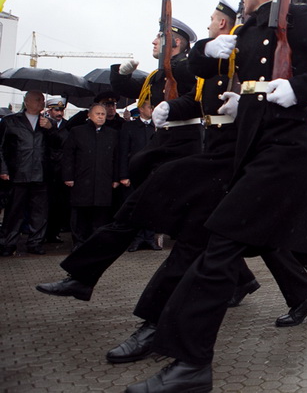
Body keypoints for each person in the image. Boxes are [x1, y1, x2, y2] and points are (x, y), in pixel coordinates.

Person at [126, 0, 307, 393]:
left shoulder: (300, 18)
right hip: (256, 147)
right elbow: (207, 73)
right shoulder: (247, 29)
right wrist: (207, 55)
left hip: (285, 151)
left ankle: (191, 364)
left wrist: (297, 91)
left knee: (219, 249)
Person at [104, 0, 307, 366]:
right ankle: (168, 334)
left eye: (213, 19)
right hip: (223, 155)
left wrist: (259, 101)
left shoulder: (263, 47)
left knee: (211, 245)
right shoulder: (224, 50)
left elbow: (279, 89)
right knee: (216, 242)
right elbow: (192, 74)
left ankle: (172, 340)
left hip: (249, 157)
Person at [35, 18, 200, 298]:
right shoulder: (161, 74)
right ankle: (82, 277)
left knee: (202, 228)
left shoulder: (186, 69)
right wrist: (121, 75)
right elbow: (134, 90)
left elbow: (197, 99)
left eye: (159, 37)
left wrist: (172, 107)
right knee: (146, 220)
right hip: (166, 152)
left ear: (177, 42)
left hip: (183, 154)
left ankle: (82, 278)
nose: (153, 42)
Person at [0, 90, 53, 256]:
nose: (41, 103)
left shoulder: (47, 123)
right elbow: (0, 147)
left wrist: (51, 129)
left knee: (39, 212)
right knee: (14, 211)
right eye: (38, 100)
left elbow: (59, 145)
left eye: (43, 100)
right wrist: (3, 169)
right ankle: (9, 243)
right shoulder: (10, 121)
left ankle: (35, 242)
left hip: (41, 174)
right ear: (27, 101)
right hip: (18, 173)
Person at [62, 103, 120, 249]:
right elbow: (68, 156)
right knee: (80, 214)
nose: (100, 117)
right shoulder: (77, 132)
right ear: (89, 115)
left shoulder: (112, 134)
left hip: (103, 181)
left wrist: (115, 178)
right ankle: (79, 243)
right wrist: (68, 176)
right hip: (82, 180)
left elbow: (116, 158)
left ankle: (96, 243)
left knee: (100, 215)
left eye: (103, 114)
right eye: (97, 114)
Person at [119, 101, 160, 252]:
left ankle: (149, 238)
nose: (152, 110)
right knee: (134, 208)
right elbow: (123, 152)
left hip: (152, 173)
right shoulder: (129, 127)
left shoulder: (158, 127)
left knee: (151, 207)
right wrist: (123, 175)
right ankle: (136, 239)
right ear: (141, 109)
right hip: (134, 173)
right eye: (150, 107)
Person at [43, 97, 71, 244]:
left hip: (61, 170)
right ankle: (42, 234)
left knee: (59, 205)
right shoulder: (42, 125)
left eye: (61, 110)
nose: (59, 113)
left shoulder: (68, 126)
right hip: (46, 170)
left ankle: (54, 233)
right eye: (56, 110)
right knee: (44, 204)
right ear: (49, 110)